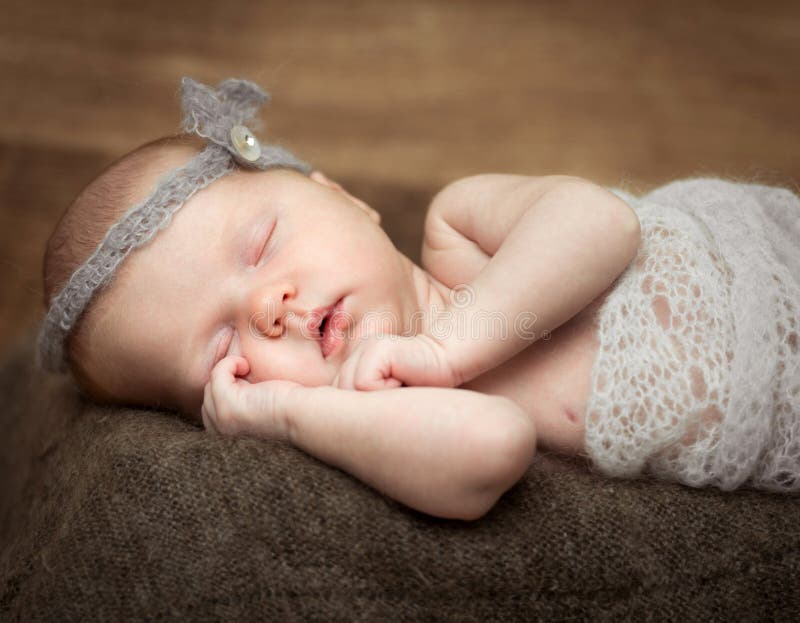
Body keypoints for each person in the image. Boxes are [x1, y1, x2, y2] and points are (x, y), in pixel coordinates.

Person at [38, 77, 800, 521]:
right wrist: (293, 414)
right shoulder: (380, 407)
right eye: (223, 350)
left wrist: (448, 345)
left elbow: (601, 225)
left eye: (263, 243)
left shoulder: (456, 232)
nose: (269, 307)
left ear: (342, 197)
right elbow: (492, 446)